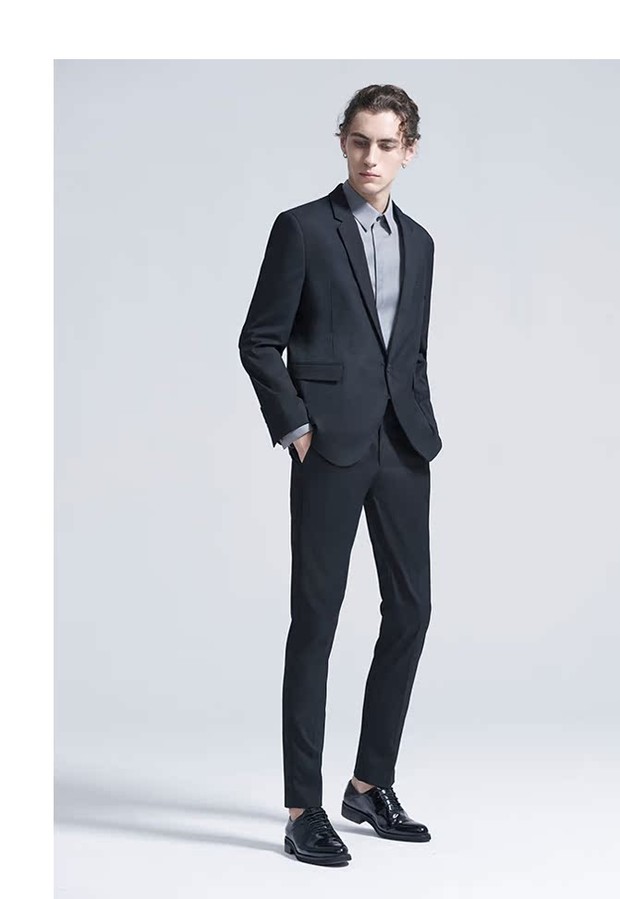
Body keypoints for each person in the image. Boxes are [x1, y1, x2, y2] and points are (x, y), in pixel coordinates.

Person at [238, 83, 442, 866]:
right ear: (343, 143)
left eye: (386, 144)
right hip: (327, 447)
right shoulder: (301, 229)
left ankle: (368, 784)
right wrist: (297, 429)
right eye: (360, 141)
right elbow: (259, 340)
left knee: (413, 609)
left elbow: (411, 350)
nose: (371, 157)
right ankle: (304, 806)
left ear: (409, 151)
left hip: (402, 447)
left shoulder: (421, 242)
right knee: (316, 620)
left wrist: (419, 418)